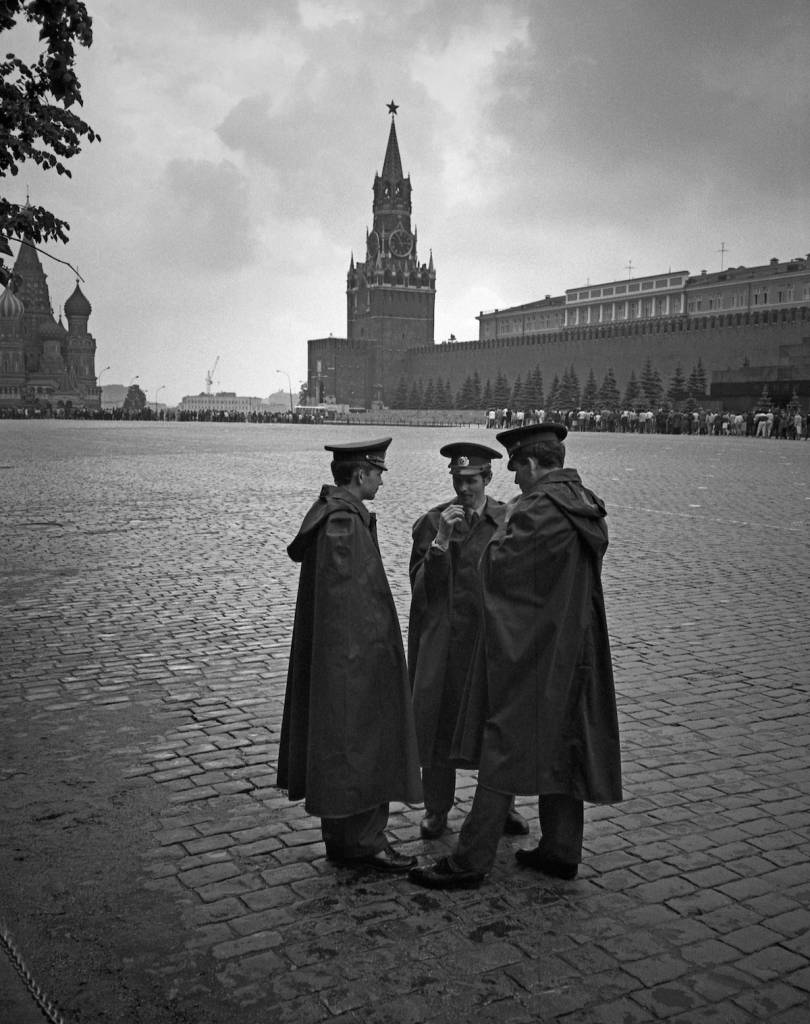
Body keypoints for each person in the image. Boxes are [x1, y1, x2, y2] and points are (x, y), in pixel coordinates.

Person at [410, 422, 622, 889]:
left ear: (530, 463)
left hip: (531, 650)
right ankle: (561, 850)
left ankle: (469, 861)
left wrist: (498, 531)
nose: (516, 481)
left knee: (503, 744)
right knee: (565, 741)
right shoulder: (585, 504)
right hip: (575, 646)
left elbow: (498, 571)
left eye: (517, 470)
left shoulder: (536, 509)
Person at [277, 437, 421, 873]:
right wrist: (378, 657)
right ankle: (365, 841)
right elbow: (353, 606)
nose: (380, 479)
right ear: (360, 474)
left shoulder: (337, 514)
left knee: (340, 744)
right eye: (378, 472)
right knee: (363, 741)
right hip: (356, 661)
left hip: (339, 659)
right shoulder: (344, 524)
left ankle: (344, 838)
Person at [408, 442, 528, 841]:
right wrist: (441, 540)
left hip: (489, 642)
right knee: (439, 724)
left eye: (471, 480)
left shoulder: (506, 520)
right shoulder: (432, 522)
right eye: (458, 480)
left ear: (488, 479)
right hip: (447, 645)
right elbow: (422, 589)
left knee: (496, 726)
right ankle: (436, 809)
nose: (463, 489)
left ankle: (502, 806)